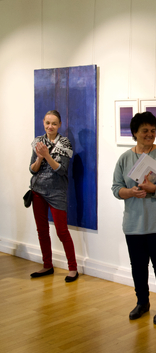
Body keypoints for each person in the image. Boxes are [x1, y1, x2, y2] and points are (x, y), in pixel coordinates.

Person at [111, 111, 156, 325]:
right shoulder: (125, 158)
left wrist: (155, 189)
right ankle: (142, 302)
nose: (150, 134)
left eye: (153, 130)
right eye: (145, 130)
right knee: (138, 266)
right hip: (133, 223)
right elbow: (116, 188)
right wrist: (130, 192)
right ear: (135, 133)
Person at [29, 110, 78, 282]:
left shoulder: (65, 143)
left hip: (57, 192)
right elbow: (32, 169)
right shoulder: (38, 141)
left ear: (59, 125)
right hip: (37, 191)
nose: (50, 126)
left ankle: (73, 268)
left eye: (54, 124)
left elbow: (61, 170)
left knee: (61, 231)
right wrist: (39, 159)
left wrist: (47, 156)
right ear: (43, 122)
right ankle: (47, 265)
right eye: (48, 123)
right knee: (42, 230)